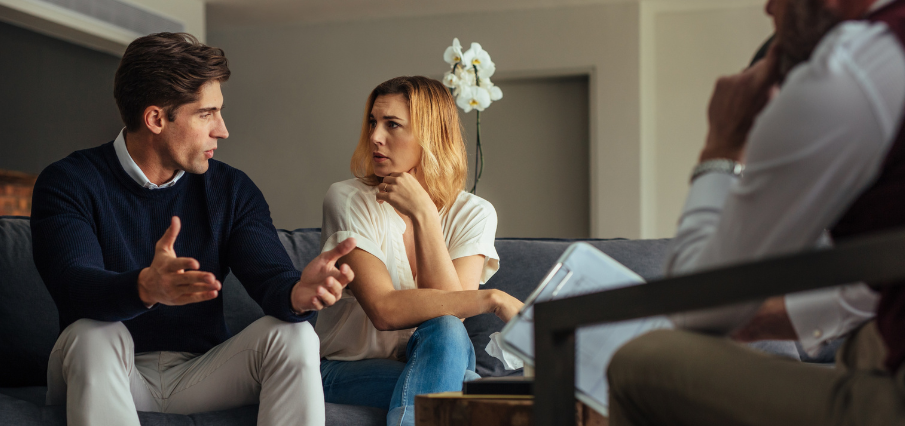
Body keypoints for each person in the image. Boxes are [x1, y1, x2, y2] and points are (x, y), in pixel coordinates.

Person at [30, 32, 356, 426]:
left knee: (295, 336)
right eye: (206, 114)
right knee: (94, 335)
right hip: (104, 368)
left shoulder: (231, 190)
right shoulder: (69, 182)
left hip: (202, 373)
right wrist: (145, 288)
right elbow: (73, 285)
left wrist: (297, 294)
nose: (222, 129)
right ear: (155, 119)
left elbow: (270, 277)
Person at [607, 0, 905, 424]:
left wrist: (722, 148)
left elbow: (698, 304)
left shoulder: (848, 70)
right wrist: (769, 322)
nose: (767, 8)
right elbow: (875, 283)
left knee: (640, 361)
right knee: (865, 345)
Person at [315, 76, 524, 426]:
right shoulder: (346, 198)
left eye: (392, 125)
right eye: (372, 122)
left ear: (431, 136)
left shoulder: (474, 213)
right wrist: (493, 299)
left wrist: (425, 214)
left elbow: (449, 317)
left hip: (434, 360)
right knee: (470, 393)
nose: (374, 137)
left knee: (446, 332)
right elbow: (383, 310)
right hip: (342, 370)